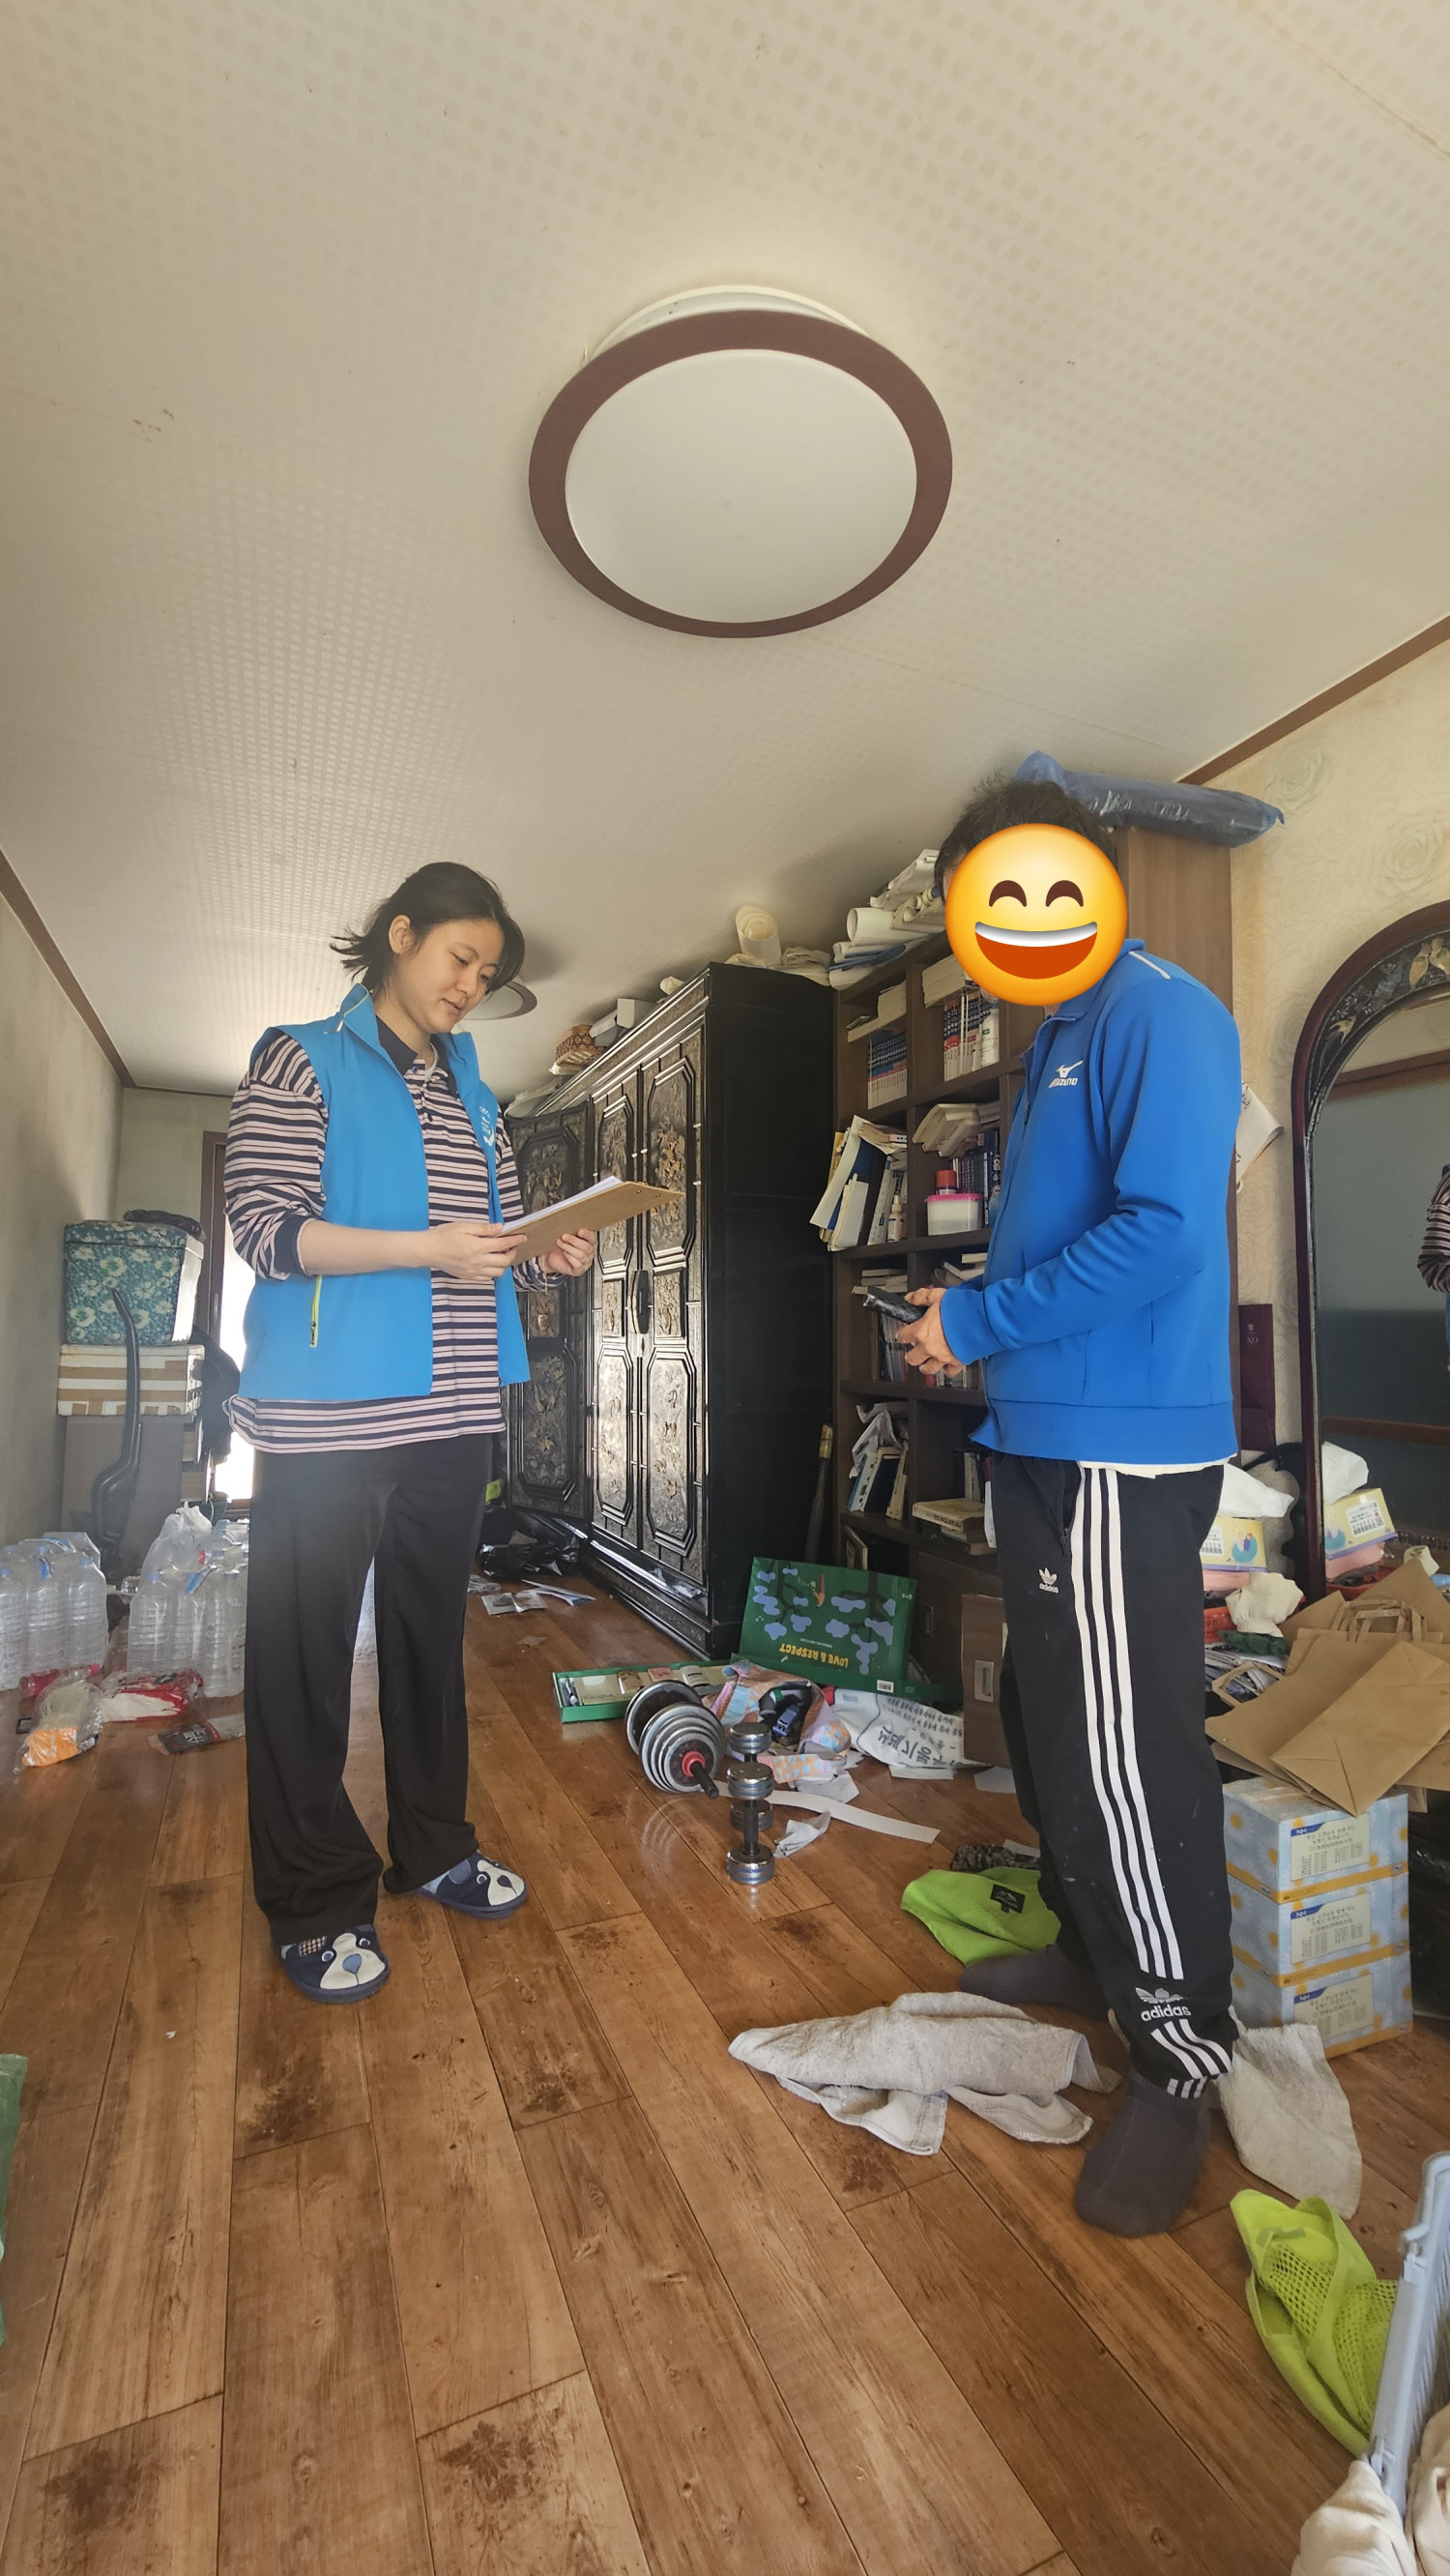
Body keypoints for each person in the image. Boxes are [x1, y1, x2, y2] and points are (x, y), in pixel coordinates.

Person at [898, 776, 1242, 2236]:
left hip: (1118, 1450)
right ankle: (1099, 1960)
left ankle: (1180, 2053)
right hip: (1039, 1434)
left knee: (1126, 1753)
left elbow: (1163, 1234)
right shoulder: (1053, 1037)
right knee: (1053, 1731)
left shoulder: (1162, 1012)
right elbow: (1059, 1249)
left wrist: (979, 1322)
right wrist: (967, 1326)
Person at [224, 863, 595, 2004]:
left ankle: (434, 1847)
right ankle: (315, 1900)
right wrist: (430, 1247)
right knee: (304, 1661)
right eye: (459, 957)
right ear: (400, 936)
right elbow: (266, 1230)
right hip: (326, 1420)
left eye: (488, 972)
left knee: (431, 1645)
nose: (471, 984)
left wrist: (541, 1251)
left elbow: (485, 1244)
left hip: (453, 1412)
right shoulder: (300, 1057)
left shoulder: (473, 1090)